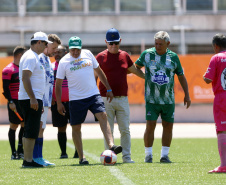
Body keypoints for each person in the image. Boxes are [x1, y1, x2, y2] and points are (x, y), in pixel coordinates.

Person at [55, 36, 122, 165]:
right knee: (76, 127)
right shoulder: (64, 61)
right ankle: (81, 157)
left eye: (78, 50)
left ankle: (111, 145)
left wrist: (108, 88)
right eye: (73, 50)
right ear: (69, 49)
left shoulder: (88, 54)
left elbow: (99, 71)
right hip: (76, 99)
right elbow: (58, 84)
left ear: (81, 47)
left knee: (103, 115)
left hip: (93, 95)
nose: (75, 52)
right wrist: (58, 103)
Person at [135, 31, 191, 163]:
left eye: (160, 44)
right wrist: (144, 76)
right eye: (156, 43)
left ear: (168, 44)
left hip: (168, 100)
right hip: (151, 99)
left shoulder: (173, 57)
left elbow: (181, 76)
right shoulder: (147, 54)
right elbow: (135, 67)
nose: (158, 46)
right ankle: (148, 155)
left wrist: (187, 95)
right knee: (150, 125)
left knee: (168, 126)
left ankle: (164, 155)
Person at [96, 28, 145, 163]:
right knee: (108, 130)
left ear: (120, 41)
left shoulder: (124, 56)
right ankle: (108, 157)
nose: (113, 46)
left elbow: (134, 70)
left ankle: (127, 157)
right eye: (111, 43)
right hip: (106, 99)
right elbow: (94, 77)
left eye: (116, 43)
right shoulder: (100, 57)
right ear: (106, 42)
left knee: (125, 129)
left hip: (122, 98)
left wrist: (147, 78)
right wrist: (95, 98)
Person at [18, 31, 53, 168]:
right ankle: (28, 160)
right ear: (39, 42)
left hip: (32, 98)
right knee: (32, 130)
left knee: (30, 129)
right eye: (45, 43)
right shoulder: (31, 57)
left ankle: (27, 159)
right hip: (29, 98)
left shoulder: (32, 56)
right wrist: (33, 98)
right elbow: (25, 77)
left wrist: (37, 99)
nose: (45, 47)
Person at [32, 34, 61, 167]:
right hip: (39, 100)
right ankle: (34, 157)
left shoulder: (47, 60)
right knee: (37, 128)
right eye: (53, 47)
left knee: (41, 129)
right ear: (46, 44)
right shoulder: (38, 58)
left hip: (45, 101)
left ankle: (39, 157)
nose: (55, 50)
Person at [203, 33, 226, 173]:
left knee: (222, 130)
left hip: (222, 98)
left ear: (216, 46)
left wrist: (204, 77)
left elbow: (208, 79)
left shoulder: (216, 58)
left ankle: (223, 165)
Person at [51, 45, 78, 159]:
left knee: (76, 126)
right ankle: (63, 153)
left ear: (66, 52)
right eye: (55, 52)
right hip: (58, 103)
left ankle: (78, 152)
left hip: (73, 101)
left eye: (59, 52)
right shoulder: (51, 67)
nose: (56, 54)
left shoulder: (73, 65)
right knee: (61, 127)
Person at [2, 46, 26, 160]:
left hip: (23, 101)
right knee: (13, 126)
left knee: (24, 125)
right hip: (14, 102)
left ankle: (21, 151)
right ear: (20, 56)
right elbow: (5, 88)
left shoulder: (23, 69)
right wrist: (11, 101)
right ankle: (13, 152)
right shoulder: (8, 69)